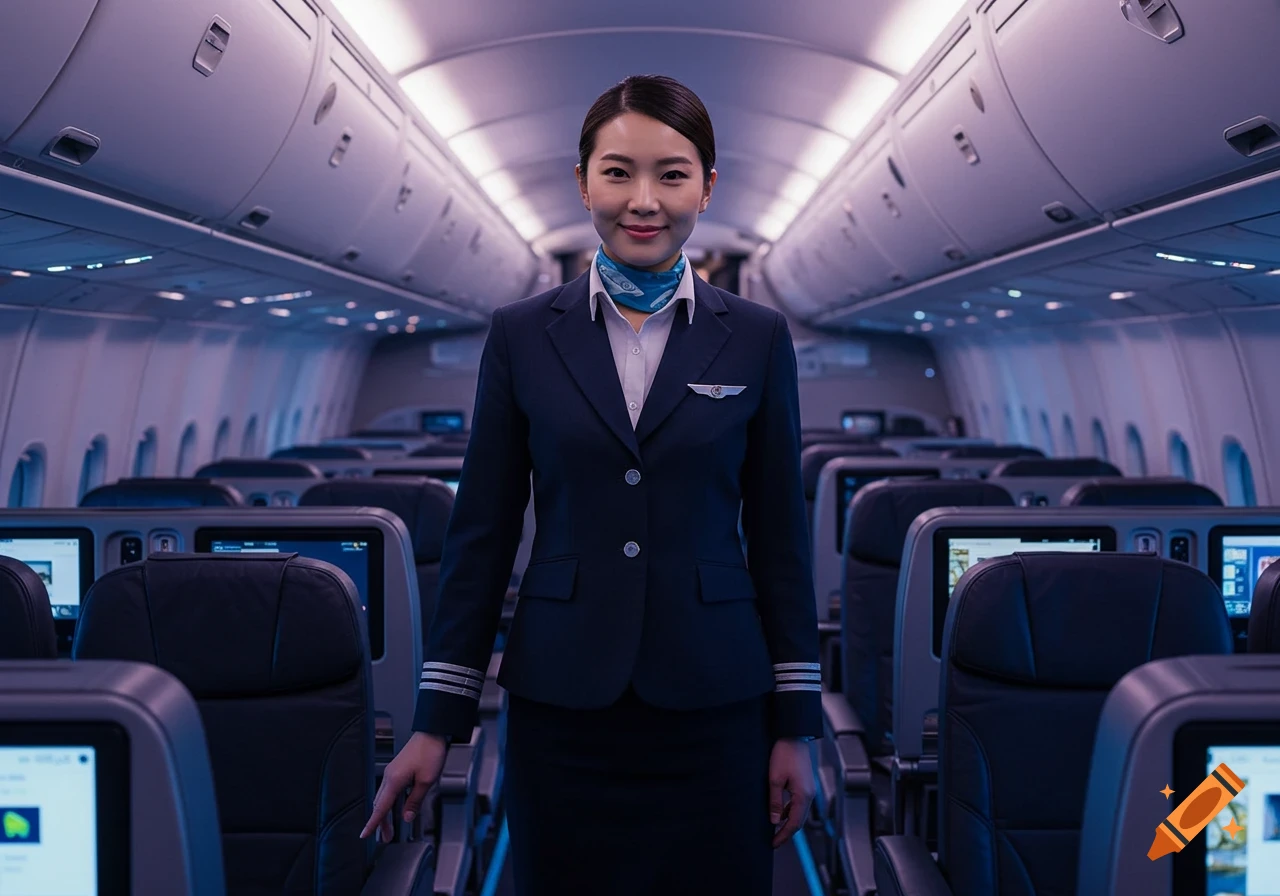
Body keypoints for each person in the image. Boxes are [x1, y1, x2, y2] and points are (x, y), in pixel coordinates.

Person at [361, 73, 822, 895]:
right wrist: (438, 721)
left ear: (708, 188)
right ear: (582, 182)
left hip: (717, 702)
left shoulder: (755, 336)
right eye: (617, 172)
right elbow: (483, 535)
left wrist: (798, 727)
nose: (643, 200)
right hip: (563, 703)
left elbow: (782, 538)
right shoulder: (521, 335)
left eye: (672, 175)